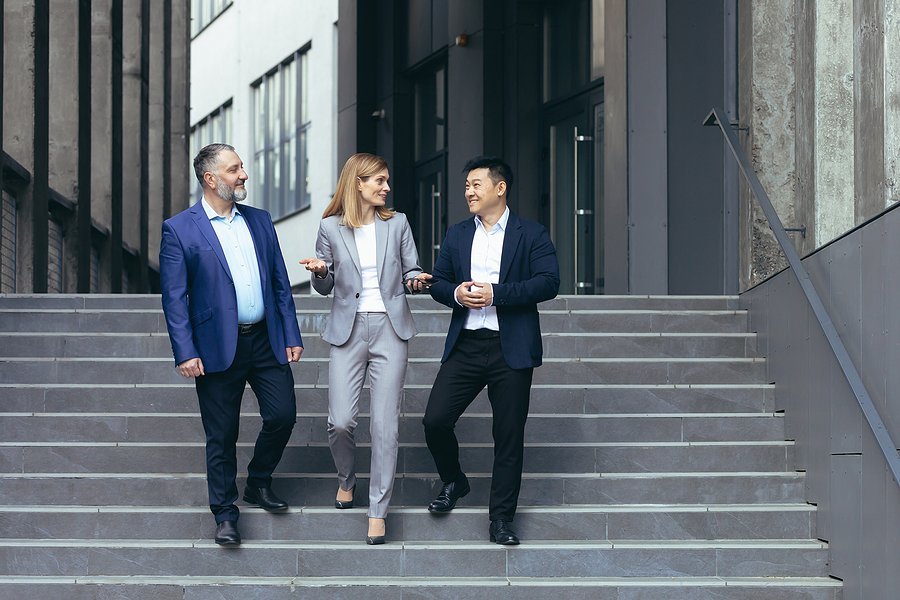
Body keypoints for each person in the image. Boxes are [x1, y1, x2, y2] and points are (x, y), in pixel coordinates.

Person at [159, 143, 303, 547]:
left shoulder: (259, 220)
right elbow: (174, 297)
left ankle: (258, 481)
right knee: (221, 435)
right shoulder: (180, 228)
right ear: (210, 179)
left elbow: (279, 280)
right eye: (234, 169)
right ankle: (224, 513)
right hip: (215, 347)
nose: (243, 175)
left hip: (265, 340)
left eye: (241, 167)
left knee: (283, 415)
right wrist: (185, 351)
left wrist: (291, 333)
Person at [422, 156, 560, 545]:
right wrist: (455, 293)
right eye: (466, 185)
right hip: (466, 344)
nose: (468, 191)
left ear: (500, 188)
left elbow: (549, 282)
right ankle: (454, 480)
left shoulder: (531, 233)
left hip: (510, 348)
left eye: (476, 184)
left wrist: (497, 294)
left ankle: (501, 519)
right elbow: (438, 282)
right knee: (434, 421)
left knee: (508, 435)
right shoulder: (457, 234)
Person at [299, 153, 431, 545]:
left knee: (385, 426)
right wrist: (322, 273)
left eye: (387, 181)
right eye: (379, 180)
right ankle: (346, 479)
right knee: (340, 421)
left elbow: (409, 272)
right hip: (348, 329)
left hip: (391, 328)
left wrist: (416, 280)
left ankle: (378, 510)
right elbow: (323, 285)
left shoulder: (399, 223)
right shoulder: (329, 227)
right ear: (358, 182)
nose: (386, 187)